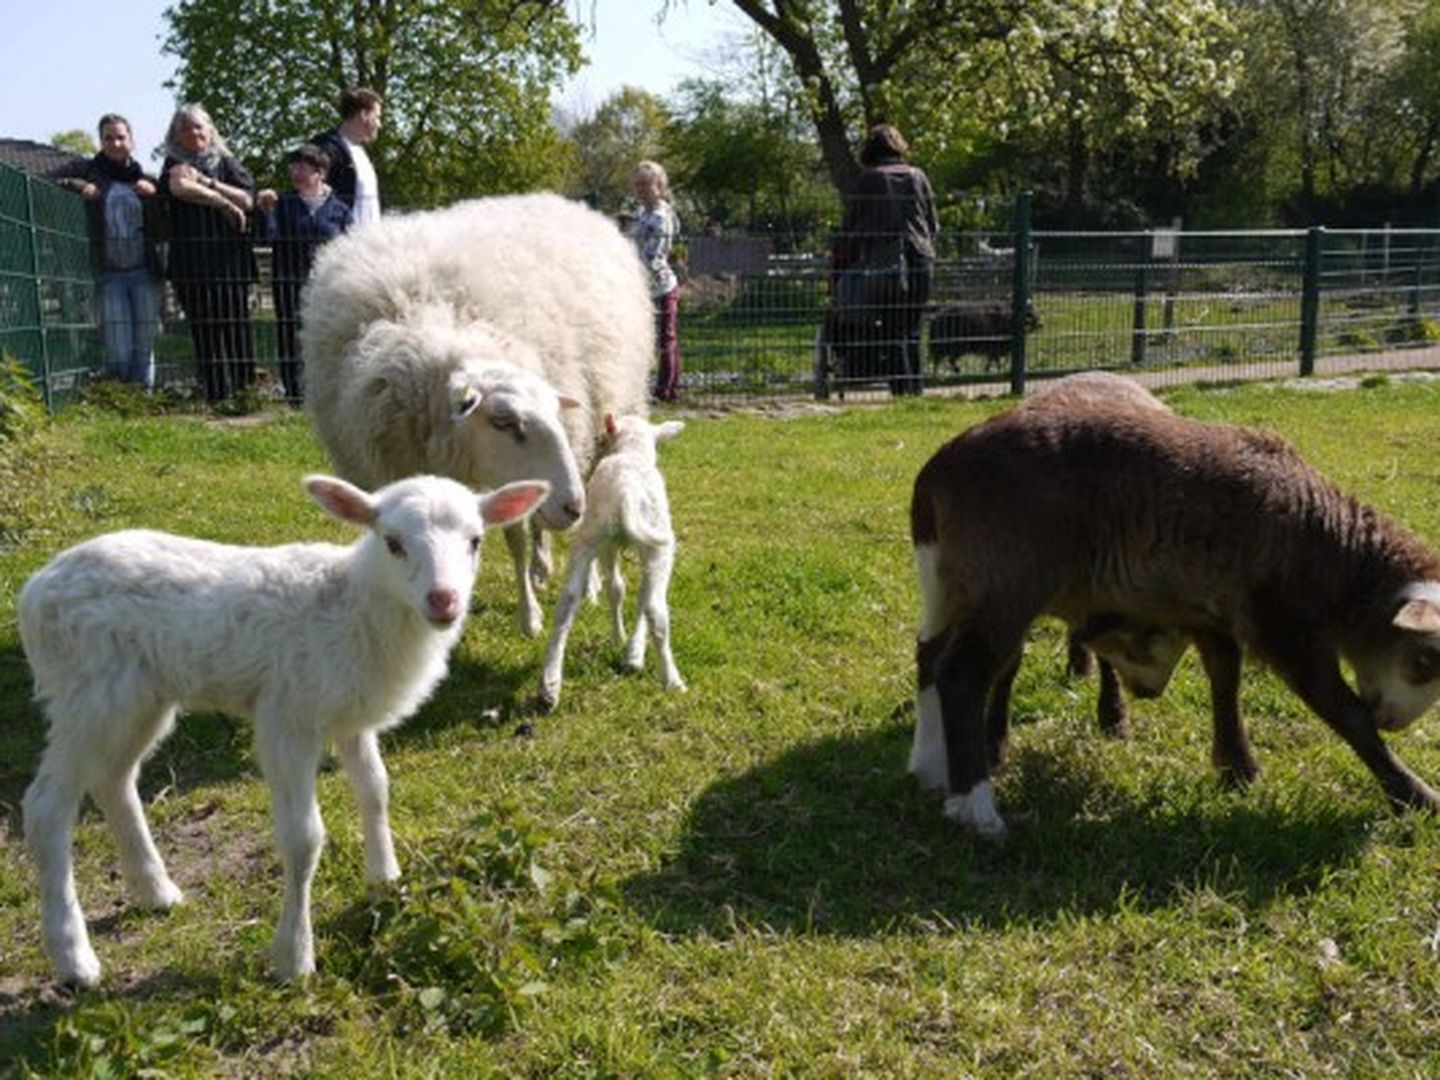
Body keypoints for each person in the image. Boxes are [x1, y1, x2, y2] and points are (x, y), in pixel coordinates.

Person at [48, 114, 166, 389]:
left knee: (144, 345)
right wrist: (78, 186)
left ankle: (143, 401)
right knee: (119, 346)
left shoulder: (147, 179)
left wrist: (154, 198)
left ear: (132, 141)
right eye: (108, 138)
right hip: (109, 273)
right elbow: (41, 181)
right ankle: (120, 401)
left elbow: (164, 229)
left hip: (145, 272)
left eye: (120, 137)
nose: (115, 143)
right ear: (100, 142)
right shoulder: (87, 170)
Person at [159, 103, 258, 403]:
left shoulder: (227, 164)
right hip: (192, 264)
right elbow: (179, 187)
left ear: (210, 129)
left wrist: (208, 182)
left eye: (198, 126)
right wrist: (224, 204)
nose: (193, 132)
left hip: (230, 262)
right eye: (185, 128)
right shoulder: (174, 163)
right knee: (205, 332)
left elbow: (248, 200)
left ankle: (246, 393)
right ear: (176, 135)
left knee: (236, 327)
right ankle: (215, 396)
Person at [832, 123, 938, 396]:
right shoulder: (918, 176)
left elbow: (852, 226)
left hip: (882, 261)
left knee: (892, 329)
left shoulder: (870, 179)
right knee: (913, 328)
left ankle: (901, 391)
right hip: (921, 259)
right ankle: (916, 391)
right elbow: (932, 224)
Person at [256, 144, 350, 403]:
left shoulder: (340, 210)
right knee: (289, 337)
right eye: (293, 167)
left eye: (303, 167)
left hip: (328, 286)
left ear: (320, 173)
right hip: (288, 283)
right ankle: (294, 396)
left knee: (326, 338)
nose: (296, 172)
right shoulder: (283, 204)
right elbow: (268, 237)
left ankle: (324, 394)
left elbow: (349, 246)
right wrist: (266, 212)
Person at [626, 160, 682, 403]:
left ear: (659, 186)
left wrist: (631, 269)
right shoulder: (641, 213)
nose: (640, 189)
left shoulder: (660, 216)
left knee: (665, 338)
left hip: (659, 287)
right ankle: (667, 387)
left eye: (645, 184)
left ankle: (665, 391)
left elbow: (653, 255)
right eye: (637, 184)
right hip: (640, 287)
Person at [309, 86, 383, 226]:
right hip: (343, 243)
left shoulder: (361, 152)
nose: (380, 124)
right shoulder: (325, 148)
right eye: (377, 117)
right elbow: (306, 190)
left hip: (369, 243)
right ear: (364, 114)